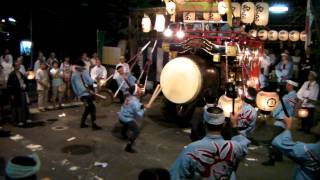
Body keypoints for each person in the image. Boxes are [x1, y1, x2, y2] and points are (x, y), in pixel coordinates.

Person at [170, 106, 250, 180]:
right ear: (223, 125)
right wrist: (235, 125)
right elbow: (244, 143)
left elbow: (176, 175)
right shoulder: (234, 147)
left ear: (204, 124)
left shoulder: (192, 149)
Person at [262, 80, 298, 166]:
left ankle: (272, 159)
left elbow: (280, 106)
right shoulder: (294, 96)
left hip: (281, 120)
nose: (286, 86)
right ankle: (279, 156)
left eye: (287, 84)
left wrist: (272, 113)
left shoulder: (288, 96)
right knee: (280, 139)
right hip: (286, 120)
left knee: (273, 141)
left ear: (291, 86)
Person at [71, 60, 102, 130]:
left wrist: (77, 95)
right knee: (92, 108)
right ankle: (94, 124)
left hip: (83, 95)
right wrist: (96, 82)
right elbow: (90, 82)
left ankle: (82, 123)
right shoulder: (82, 73)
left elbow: (73, 87)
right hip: (85, 94)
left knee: (88, 109)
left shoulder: (74, 74)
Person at [118, 84, 147, 153]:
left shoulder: (129, 97)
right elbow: (138, 115)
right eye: (139, 90)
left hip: (121, 116)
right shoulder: (135, 102)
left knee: (128, 123)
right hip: (125, 118)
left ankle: (123, 133)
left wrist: (143, 106)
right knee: (136, 131)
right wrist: (144, 109)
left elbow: (137, 105)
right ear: (136, 92)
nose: (141, 90)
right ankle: (128, 147)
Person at [7, 62, 31, 127]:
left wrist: (25, 85)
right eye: (17, 65)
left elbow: (24, 81)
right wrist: (11, 94)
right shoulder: (11, 74)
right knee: (16, 107)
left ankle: (23, 119)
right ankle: (17, 121)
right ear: (14, 67)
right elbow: (9, 85)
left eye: (19, 65)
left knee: (23, 106)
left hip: (22, 91)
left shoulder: (20, 73)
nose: (19, 66)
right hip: (15, 93)